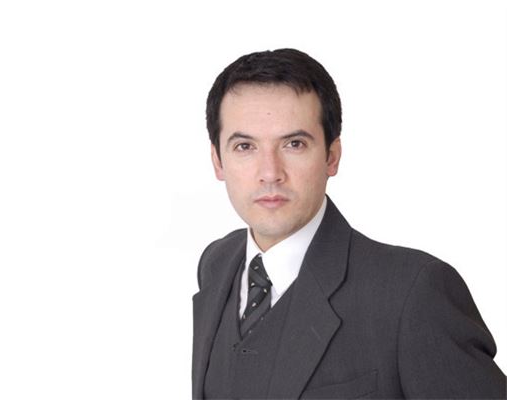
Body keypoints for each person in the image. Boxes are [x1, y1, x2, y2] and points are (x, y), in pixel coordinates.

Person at [192, 48, 506, 399]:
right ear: (218, 160)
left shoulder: (412, 294)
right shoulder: (217, 263)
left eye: (294, 144)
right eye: (244, 146)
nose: (270, 173)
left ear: (332, 156)